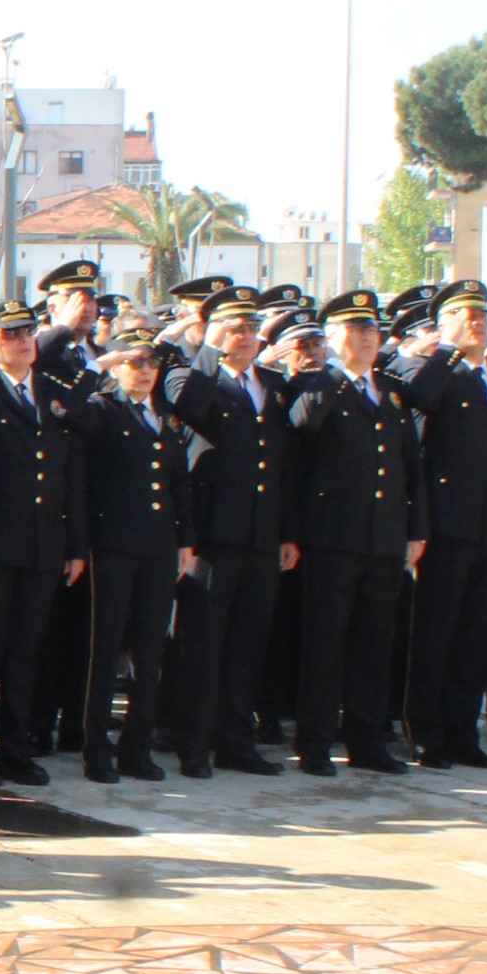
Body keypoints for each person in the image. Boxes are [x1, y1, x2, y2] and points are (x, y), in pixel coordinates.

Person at [155, 288, 292, 777]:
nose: (246, 337)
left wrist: (286, 533)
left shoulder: (273, 384)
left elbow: (284, 466)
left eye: (252, 328)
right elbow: (188, 410)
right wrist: (209, 352)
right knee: (203, 645)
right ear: (213, 330)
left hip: (260, 533)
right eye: (235, 328)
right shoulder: (188, 376)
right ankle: (193, 743)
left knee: (246, 646)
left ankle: (238, 741)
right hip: (212, 533)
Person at [288, 290, 422, 776]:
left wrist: (415, 529)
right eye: (355, 330)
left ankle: (367, 741)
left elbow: (411, 466)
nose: (366, 338)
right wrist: (325, 375)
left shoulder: (389, 391)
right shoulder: (319, 385)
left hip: (384, 538)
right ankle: (316, 742)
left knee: (374, 642)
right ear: (333, 338)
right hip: (333, 537)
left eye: (371, 331)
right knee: (325, 643)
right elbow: (301, 428)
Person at [387, 280, 487, 768]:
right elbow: (419, 405)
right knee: (436, 634)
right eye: (465, 317)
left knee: (476, 635)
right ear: (445, 324)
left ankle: (464, 730)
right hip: (446, 526)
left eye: (482, 316)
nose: (477, 324)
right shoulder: (434, 372)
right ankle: (427, 732)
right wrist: (447, 349)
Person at [0, 302, 78, 788]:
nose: (23, 341)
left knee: (26, 652)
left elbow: (70, 471)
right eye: (10, 334)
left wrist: (74, 545)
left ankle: (16, 749)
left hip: (43, 542)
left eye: (28, 332)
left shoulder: (52, 394)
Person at [64, 324, 187, 782]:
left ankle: (137, 748)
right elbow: (67, 412)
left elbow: (179, 486)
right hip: (112, 544)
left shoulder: (164, 416)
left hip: (158, 546)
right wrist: (98, 367)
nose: (145, 371)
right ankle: (96, 747)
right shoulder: (103, 409)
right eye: (134, 362)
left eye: (152, 363)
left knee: (151, 649)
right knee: (106, 646)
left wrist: (185, 541)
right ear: (118, 367)